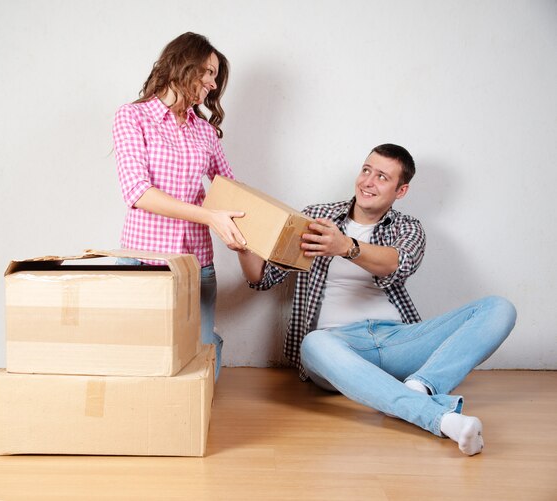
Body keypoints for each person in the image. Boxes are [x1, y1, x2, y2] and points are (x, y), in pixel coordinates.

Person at [237, 144, 516, 455]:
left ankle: (419, 387)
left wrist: (346, 246)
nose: (368, 182)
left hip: (397, 339)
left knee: (499, 308)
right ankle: (438, 417)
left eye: (382, 177)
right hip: (335, 345)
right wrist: (243, 247)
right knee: (313, 343)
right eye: (366, 170)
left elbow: (398, 264)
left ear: (401, 190)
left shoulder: (408, 228)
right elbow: (263, 279)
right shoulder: (316, 216)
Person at [112, 32, 246, 380]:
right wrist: (208, 216)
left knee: (196, 365)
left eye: (216, 77)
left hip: (196, 264)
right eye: (209, 72)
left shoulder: (204, 131)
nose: (213, 85)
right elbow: (138, 192)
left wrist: (255, 230)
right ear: (184, 65)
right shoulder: (132, 117)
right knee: (141, 362)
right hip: (145, 262)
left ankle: (209, 346)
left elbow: (230, 191)